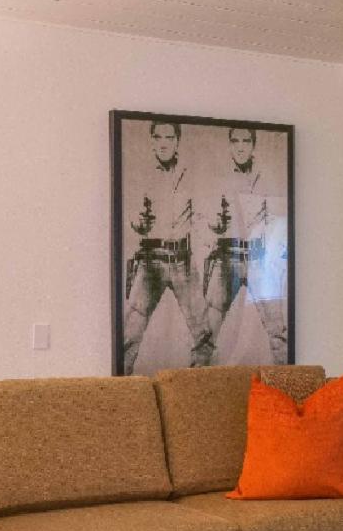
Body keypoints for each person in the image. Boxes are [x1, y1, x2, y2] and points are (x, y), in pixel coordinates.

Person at [121, 120, 207, 372]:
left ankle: (197, 387)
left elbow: (201, 215)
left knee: (204, 334)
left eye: (169, 138)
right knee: (130, 334)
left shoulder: (190, 174)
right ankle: (123, 390)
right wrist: (140, 221)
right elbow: (132, 221)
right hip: (151, 261)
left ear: (177, 141)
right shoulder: (140, 175)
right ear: (151, 141)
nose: (163, 143)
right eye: (158, 137)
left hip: (183, 260)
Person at [200, 124, 289, 364]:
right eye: (236, 141)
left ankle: (287, 385)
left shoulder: (266, 179)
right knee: (206, 334)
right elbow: (205, 222)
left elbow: (279, 222)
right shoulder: (218, 180)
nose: (241, 147)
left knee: (277, 332)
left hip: (259, 259)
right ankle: (195, 383)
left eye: (246, 141)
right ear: (230, 145)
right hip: (227, 258)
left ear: (253, 146)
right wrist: (215, 224)